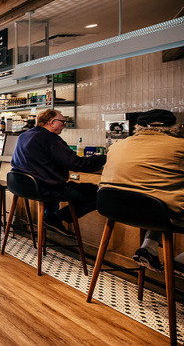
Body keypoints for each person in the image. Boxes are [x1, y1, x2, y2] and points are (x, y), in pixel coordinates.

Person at [99, 109, 184, 272]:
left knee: (158, 200)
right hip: (156, 211)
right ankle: (180, 261)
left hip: (115, 209)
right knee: (165, 204)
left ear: (138, 126)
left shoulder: (117, 146)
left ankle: (148, 248)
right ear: (174, 127)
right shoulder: (179, 146)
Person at [11, 109, 107, 235]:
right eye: (62, 122)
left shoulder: (25, 135)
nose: (64, 125)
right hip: (45, 189)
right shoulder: (49, 138)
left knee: (55, 181)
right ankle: (55, 218)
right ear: (52, 122)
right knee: (100, 195)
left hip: (23, 187)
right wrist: (104, 158)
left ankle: (50, 216)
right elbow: (76, 163)